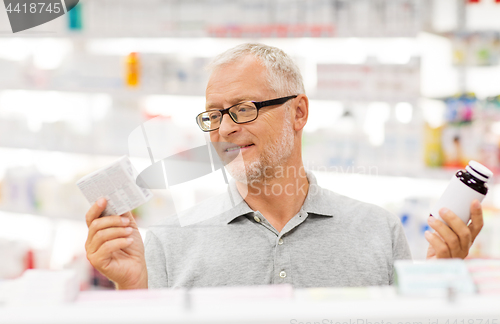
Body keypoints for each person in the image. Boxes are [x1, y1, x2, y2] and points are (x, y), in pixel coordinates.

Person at [84, 43, 484, 290]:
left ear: (298, 112)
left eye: (242, 110)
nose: (224, 130)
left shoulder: (378, 231)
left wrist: (439, 277)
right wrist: (133, 286)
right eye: (212, 116)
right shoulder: (168, 242)